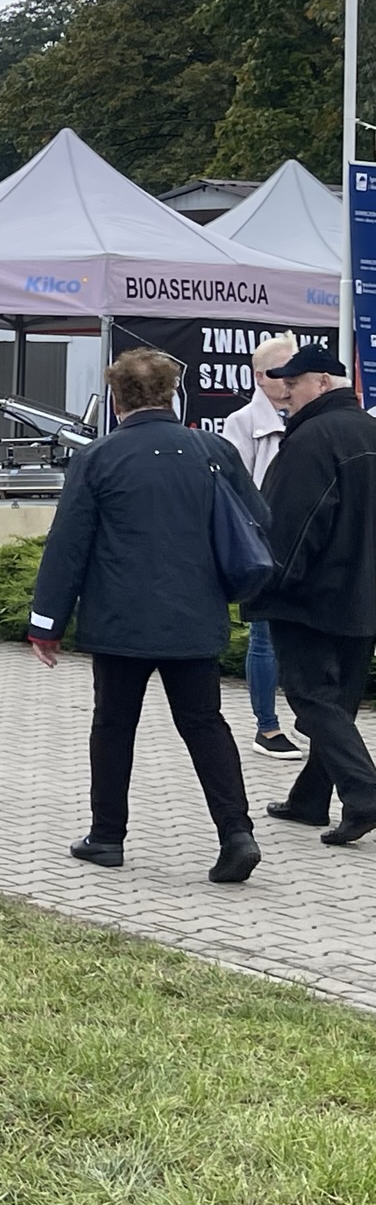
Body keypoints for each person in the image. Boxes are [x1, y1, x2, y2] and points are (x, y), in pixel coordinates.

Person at [26, 348, 266, 883]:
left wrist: (46, 624)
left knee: (113, 725)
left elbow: (68, 546)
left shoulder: (99, 457)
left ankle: (107, 837)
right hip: (195, 616)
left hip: (120, 621)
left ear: (116, 399)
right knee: (205, 724)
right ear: (172, 393)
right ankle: (237, 833)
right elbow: (257, 521)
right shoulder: (215, 451)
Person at [243, 344, 376, 845]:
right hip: (363, 594)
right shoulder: (368, 431)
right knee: (336, 703)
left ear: (322, 383)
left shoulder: (313, 438)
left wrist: (267, 583)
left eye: (293, 383)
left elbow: (293, 523)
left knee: (311, 697)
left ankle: (365, 794)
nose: (285, 393)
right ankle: (310, 799)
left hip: (312, 596)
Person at [222, 335, 299, 760]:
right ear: (259, 377)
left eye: (293, 370)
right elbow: (238, 488)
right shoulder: (242, 422)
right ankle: (267, 726)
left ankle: (306, 717)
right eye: (278, 372)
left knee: (302, 634)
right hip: (265, 541)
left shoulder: (306, 414)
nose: (287, 380)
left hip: (304, 540)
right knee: (264, 636)